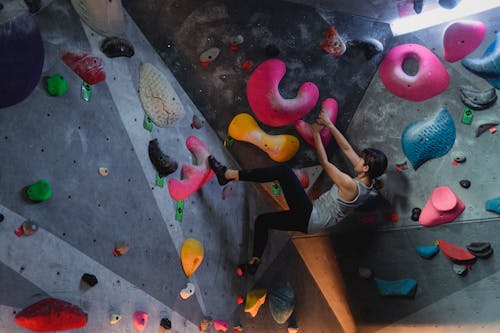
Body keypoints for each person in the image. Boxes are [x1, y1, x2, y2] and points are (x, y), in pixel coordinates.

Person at [208, 109, 388, 275]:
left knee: (283, 172)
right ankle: (254, 262)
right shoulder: (369, 181)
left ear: (365, 167)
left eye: (361, 159)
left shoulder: (351, 185)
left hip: (311, 216)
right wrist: (330, 125)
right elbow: (347, 148)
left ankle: (227, 175)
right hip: (311, 220)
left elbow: (325, 163)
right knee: (263, 221)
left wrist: (316, 133)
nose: (357, 158)